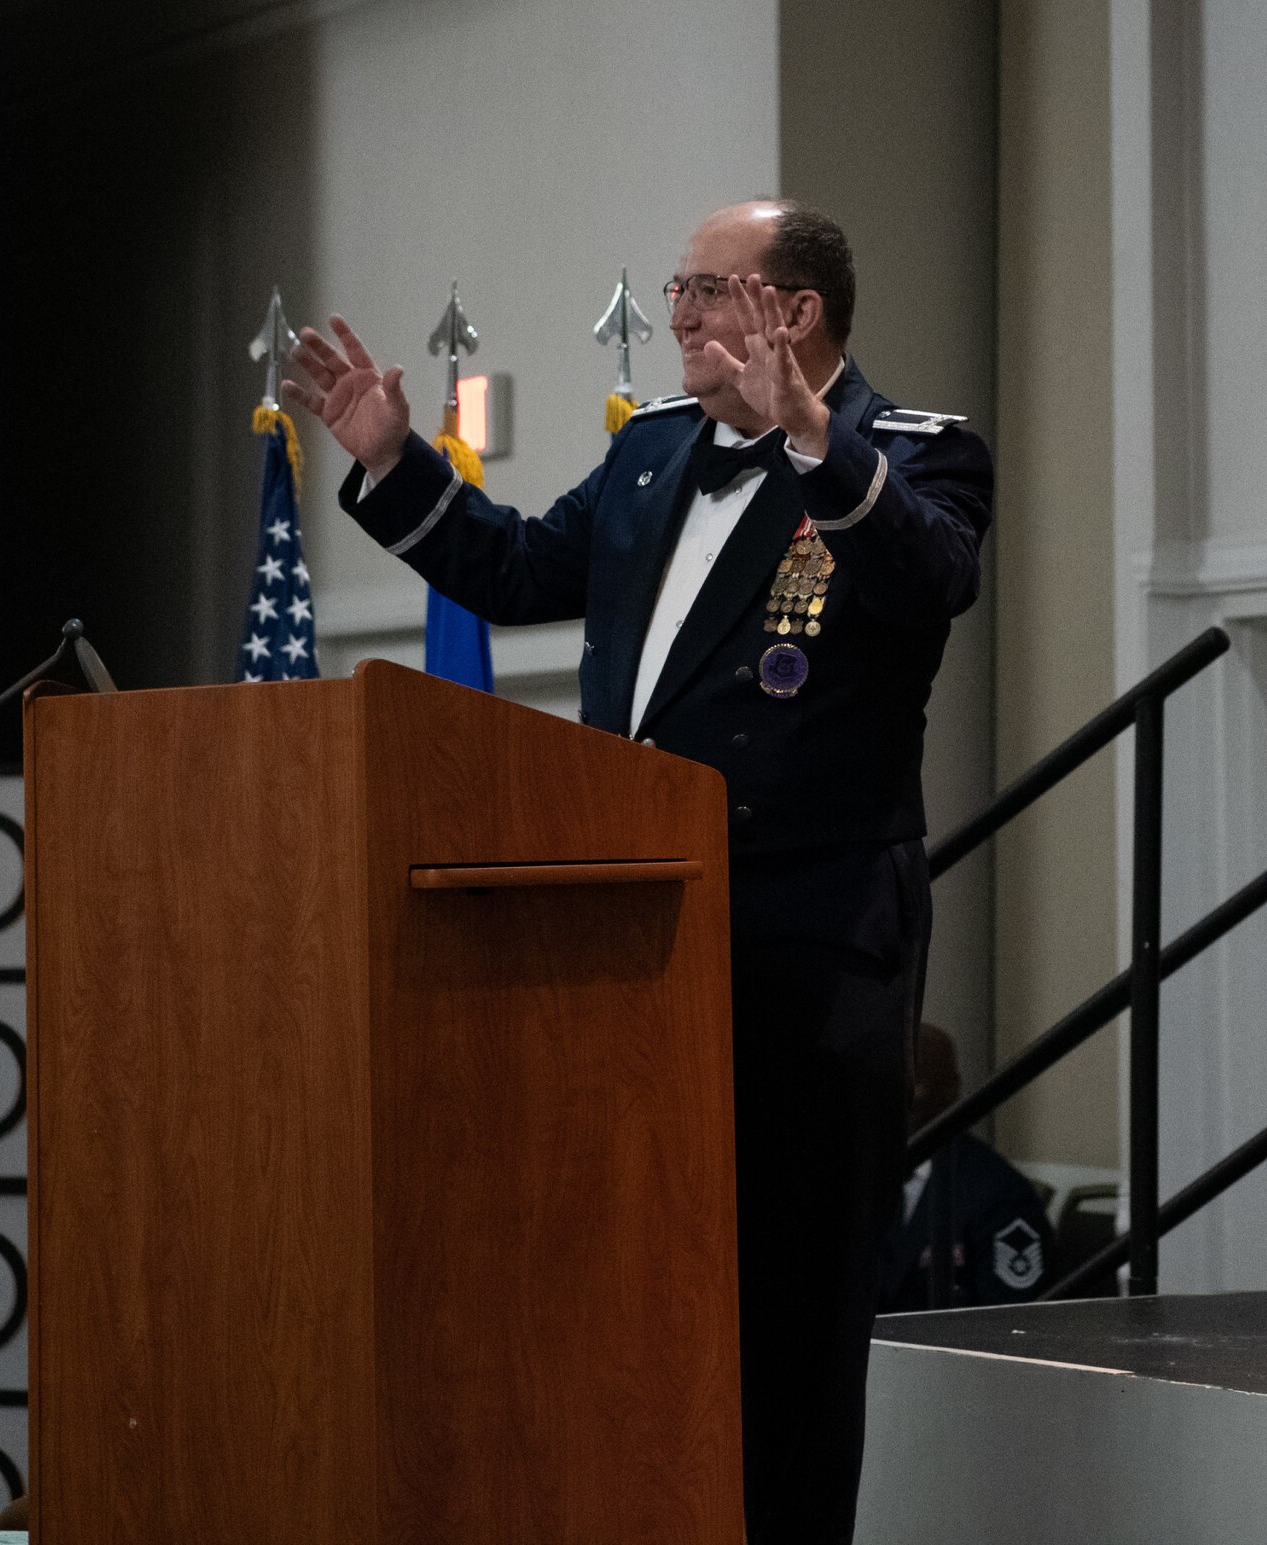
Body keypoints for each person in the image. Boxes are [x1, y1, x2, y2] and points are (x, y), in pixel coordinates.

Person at [281, 199, 992, 1544]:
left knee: (790, 1317)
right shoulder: (656, 455)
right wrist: (391, 460)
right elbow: (510, 569)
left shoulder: (920, 454)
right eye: (676, 289)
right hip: (636, 938)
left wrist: (811, 445)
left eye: (709, 290)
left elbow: (928, 579)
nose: (678, 315)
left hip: (807, 957)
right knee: (638, 1296)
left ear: (797, 314)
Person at [881, 1023, 1054, 1312]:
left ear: (952, 1089)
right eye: (890, 1078)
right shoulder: (862, 1176)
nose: (902, 1093)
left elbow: (1008, 1323)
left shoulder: (1000, 1195)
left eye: (918, 1078)